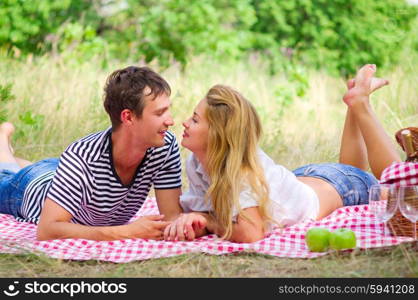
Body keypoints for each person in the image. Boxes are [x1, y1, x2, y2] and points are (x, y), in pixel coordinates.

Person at [163, 64, 401, 243]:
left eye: (194, 119)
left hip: (342, 186)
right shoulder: (197, 162)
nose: (184, 122)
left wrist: (208, 222)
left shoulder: (243, 172)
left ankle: (360, 103)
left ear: (217, 135)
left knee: (402, 189)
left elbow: (250, 234)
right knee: (352, 170)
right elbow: (200, 210)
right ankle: (355, 99)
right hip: (305, 178)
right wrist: (198, 219)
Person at [0, 66, 183, 241]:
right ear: (128, 117)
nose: (171, 121)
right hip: (30, 188)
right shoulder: (82, 158)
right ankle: (3, 142)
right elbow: (47, 230)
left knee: (44, 169)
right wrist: (128, 231)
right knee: (6, 175)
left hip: (61, 172)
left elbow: (172, 217)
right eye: (160, 113)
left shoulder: (164, 145)